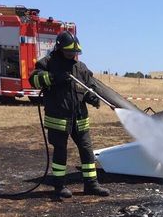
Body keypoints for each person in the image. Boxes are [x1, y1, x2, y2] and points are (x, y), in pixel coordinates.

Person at [29, 30, 109, 199]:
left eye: (74, 52)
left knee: (87, 150)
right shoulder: (47, 63)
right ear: (59, 48)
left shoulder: (81, 68)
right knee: (60, 151)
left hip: (79, 118)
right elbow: (34, 80)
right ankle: (59, 186)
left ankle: (91, 184)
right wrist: (53, 77)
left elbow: (88, 87)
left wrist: (91, 97)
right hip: (58, 118)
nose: (72, 54)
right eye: (68, 51)